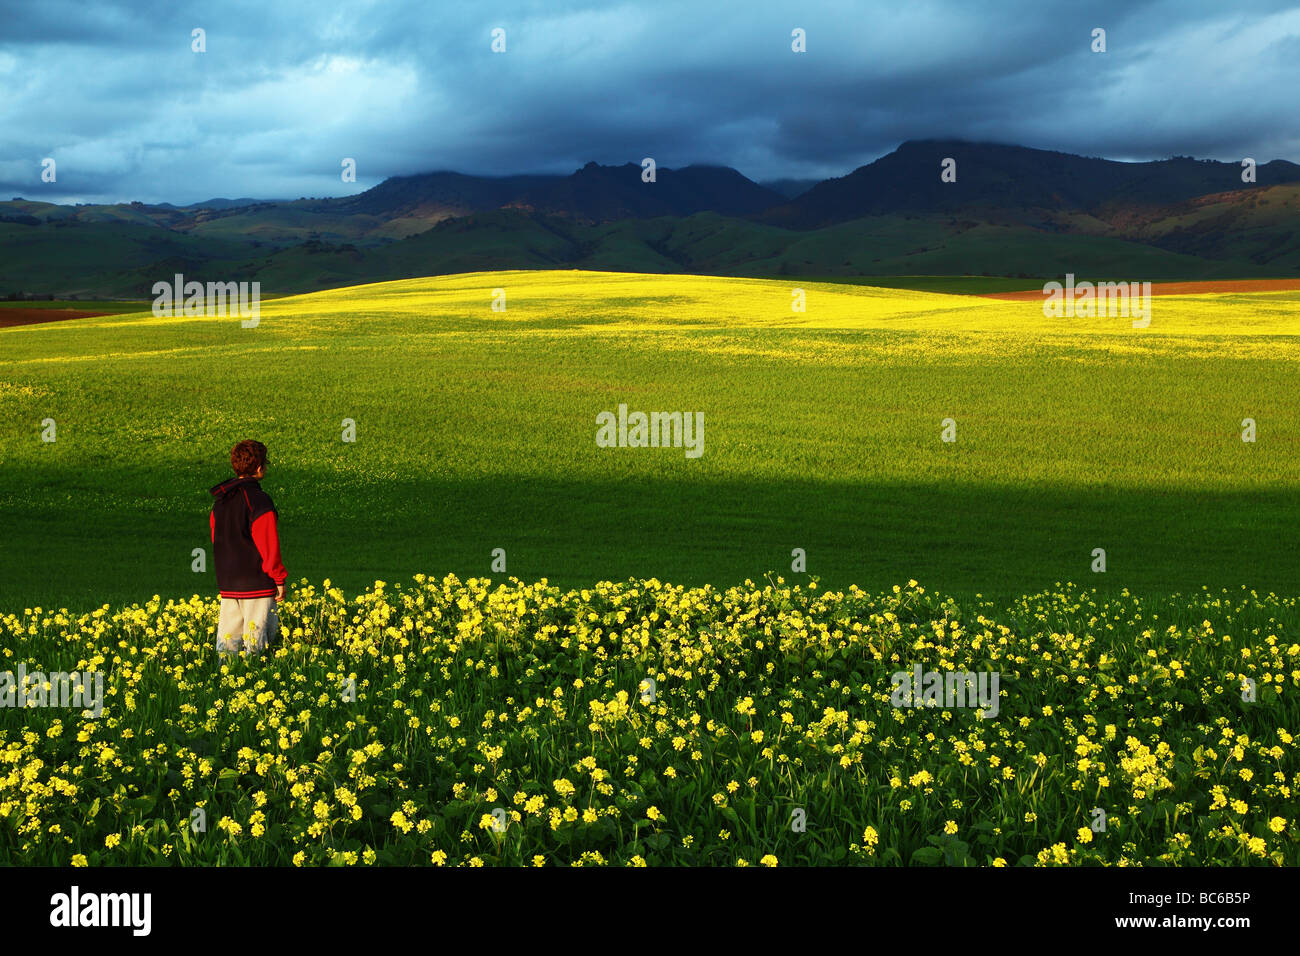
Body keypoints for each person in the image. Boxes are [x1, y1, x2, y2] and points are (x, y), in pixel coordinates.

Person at [209, 439, 287, 656]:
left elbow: (216, 538)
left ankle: (223, 685)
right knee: (257, 645)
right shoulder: (259, 501)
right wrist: (279, 578)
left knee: (227, 646)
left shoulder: (220, 502)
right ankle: (255, 679)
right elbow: (268, 545)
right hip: (257, 583)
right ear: (260, 467)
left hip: (227, 583)